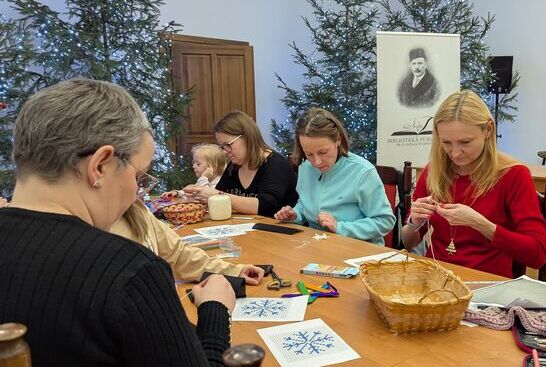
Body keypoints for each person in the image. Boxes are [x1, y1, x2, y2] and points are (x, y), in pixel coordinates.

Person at [0, 78, 235, 366]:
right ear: (100, 165)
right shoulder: (129, 271)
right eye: (138, 177)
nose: (136, 192)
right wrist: (215, 311)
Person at [401, 90, 546, 278]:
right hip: (435, 278)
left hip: (487, 285)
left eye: (465, 142)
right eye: (446, 142)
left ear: (488, 130)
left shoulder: (513, 175)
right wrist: (413, 223)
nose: (455, 153)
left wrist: (481, 224)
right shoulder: (433, 172)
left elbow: (537, 255)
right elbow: (408, 243)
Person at [274, 107, 395, 244]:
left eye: (323, 152)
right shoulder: (306, 166)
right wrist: (295, 215)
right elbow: (306, 203)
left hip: (358, 249)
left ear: (338, 140)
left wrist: (340, 227)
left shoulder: (362, 172)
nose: (316, 162)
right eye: (309, 154)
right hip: (316, 244)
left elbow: (385, 221)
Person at [111, 200, 265, 283]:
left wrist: (233, 271)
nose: (139, 188)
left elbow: (178, 254)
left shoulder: (136, 210)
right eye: (136, 176)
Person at [185, 110, 298, 217]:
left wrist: (216, 195)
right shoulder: (233, 167)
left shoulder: (276, 164)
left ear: (247, 137)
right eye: (222, 147)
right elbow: (219, 193)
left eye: (228, 144)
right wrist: (195, 194)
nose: (225, 152)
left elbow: (266, 206)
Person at [161, 143, 226, 199]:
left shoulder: (219, 183)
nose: (193, 166)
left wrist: (203, 177)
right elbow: (192, 192)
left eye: (198, 164)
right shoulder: (203, 181)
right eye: (193, 163)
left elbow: (207, 194)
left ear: (213, 166)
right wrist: (177, 193)